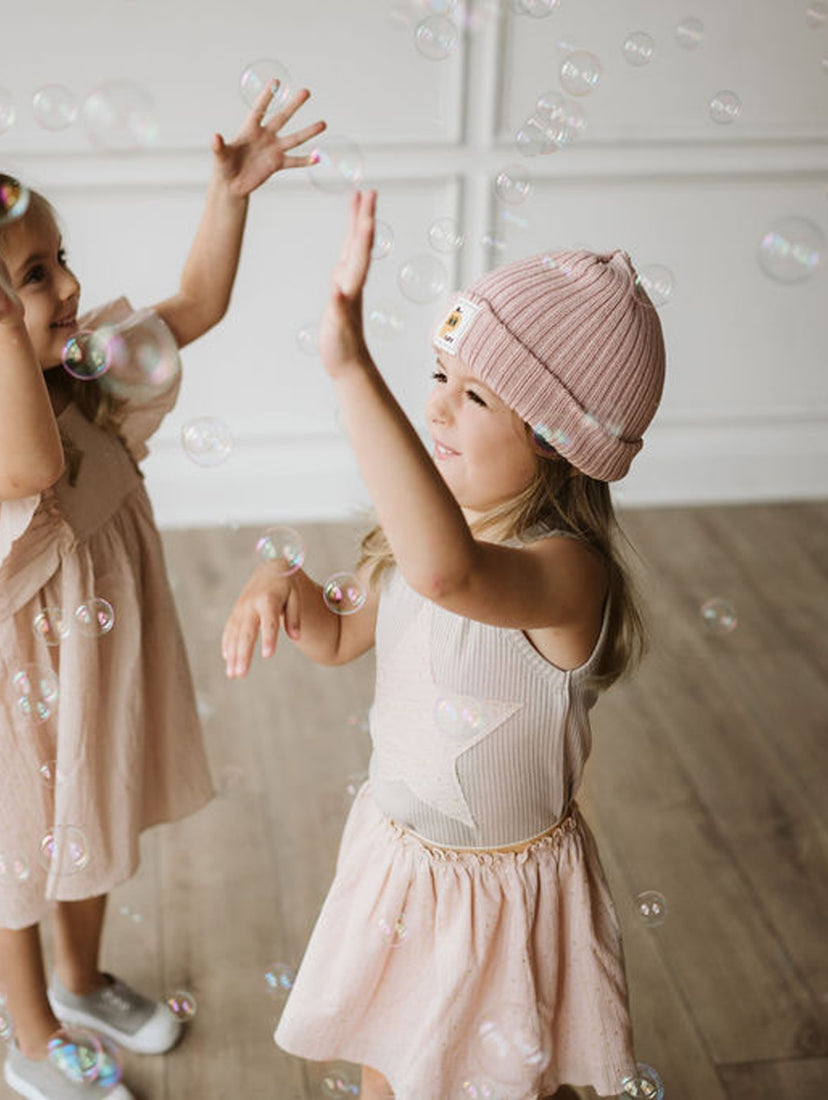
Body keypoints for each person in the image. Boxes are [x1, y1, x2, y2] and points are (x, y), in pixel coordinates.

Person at [0, 83, 325, 1100]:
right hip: (12, 711)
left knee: (92, 836)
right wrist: (4, 333)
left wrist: (228, 193)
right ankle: (32, 1039)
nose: (65, 287)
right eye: (31, 276)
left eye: (62, 260)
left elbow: (194, 305)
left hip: (98, 668)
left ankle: (80, 982)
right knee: (13, 867)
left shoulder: (83, 373)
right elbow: (29, 468)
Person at [222, 191, 666, 1100]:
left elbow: (450, 576)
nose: (439, 410)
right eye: (436, 376)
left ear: (555, 441)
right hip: (402, 865)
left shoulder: (565, 575)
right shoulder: (426, 529)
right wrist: (287, 591)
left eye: (475, 396)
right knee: (389, 1072)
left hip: (500, 908)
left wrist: (351, 371)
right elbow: (347, 632)